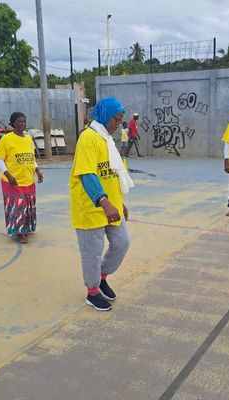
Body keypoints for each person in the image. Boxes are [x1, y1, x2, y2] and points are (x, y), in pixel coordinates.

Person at [69, 97, 134, 311]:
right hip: (91, 206)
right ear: (105, 115)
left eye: (119, 120)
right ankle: (93, 291)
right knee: (92, 253)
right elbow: (88, 174)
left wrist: (119, 202)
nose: (118, 124)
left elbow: (113, 174)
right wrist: (104, 201)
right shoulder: (88, 138)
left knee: (122, 242)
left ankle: (102, 276)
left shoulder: (107, 139)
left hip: (112, 205)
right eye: (116, 119)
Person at [0, 112, 43, 244]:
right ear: (13, 123)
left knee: (28, 206)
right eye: (19, 121)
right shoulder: (7, 139)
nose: (22, 124)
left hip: (28, 179)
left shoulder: (28, 138)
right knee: (18, 206)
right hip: (12, 181)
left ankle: (27, 228)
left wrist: (37, 170)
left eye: (24, 121)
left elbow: (32, 158)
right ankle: (19, 232)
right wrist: (8, 174)